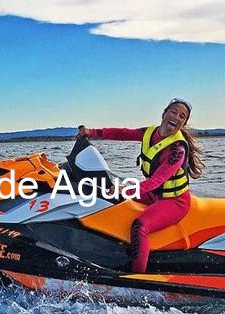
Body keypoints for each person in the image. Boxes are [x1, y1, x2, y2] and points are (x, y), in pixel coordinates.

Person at [77, 98, 205, 273]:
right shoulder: (149, 133)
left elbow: (156, 181)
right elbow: (122, 134)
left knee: (140, 227)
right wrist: (91, 132)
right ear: (164, 114)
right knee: (110, 196)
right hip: (153, 194)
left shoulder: (177, 150)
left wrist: (127, 190)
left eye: (182, 116)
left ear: (183, 124)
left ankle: (137, 275)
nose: (176, 117)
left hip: (174, 202)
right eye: (174, 112)